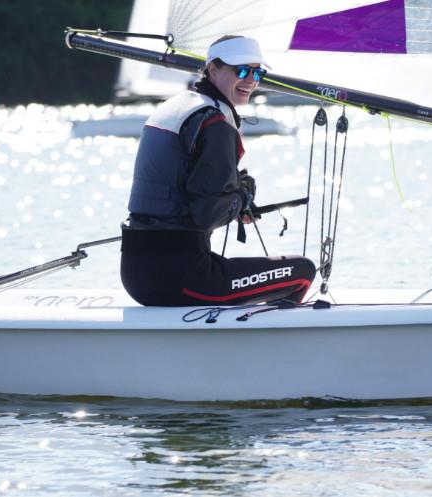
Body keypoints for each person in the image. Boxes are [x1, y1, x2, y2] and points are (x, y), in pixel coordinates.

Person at [120, 35, 316, 306]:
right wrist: (242, 196)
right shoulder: (215, 123)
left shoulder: (176, 106)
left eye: (258, 72)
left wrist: (234, 194)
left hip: (135, 275)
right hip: (183, 279)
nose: (251, 80)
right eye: (242, 71)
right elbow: (208, 215)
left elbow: (181, 191)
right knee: (302, 271)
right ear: (213, 68)